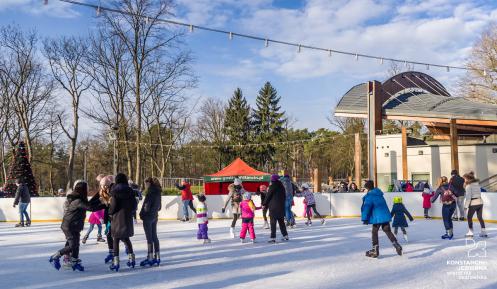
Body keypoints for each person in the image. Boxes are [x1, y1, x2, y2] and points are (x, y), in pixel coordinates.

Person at [49, 180, 103, 271]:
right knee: (72, 245)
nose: (88, 190)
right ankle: (56, 256)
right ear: (83, 189)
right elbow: (91, 208)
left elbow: (89, 204)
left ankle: (74, 261)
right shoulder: (77, 200)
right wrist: (104, 204)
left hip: (75, 225)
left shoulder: (79, 198)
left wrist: (99, 194)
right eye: (87, 188)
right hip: (69, 226)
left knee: (76, 244)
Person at [361, 180, 402, 258]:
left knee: (374, 232)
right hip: (385, 216)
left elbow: (366, 207)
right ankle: (396, 245)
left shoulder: (370, 196)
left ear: (368, 188)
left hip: (378, 217)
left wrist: (365, 218)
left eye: (365, 188)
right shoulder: (379, 194)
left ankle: (375, 250)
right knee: (387, 231)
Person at [109, 173, 138, 272]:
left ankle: (116, 262)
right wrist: (130, 211)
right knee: (126, 238)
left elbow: (113, 206)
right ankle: (131, 259)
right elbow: (135, 205)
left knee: (116, 240)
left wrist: (109, 212)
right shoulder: (130, 191)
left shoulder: (115, 191)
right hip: (127, 218)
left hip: (117, 218)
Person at [139, 177, 162, 267]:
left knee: (149, 238)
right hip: (154, 216)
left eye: (146, 183)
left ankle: (150, 257)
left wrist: (142, 214)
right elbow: (159, 207)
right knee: (154, 236)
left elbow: (146, 206)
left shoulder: (150, 192)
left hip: (148, 217)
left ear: (149, 183)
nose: (145, 185)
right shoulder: (158, 192)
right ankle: (157, 256)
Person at [263, 174, 289, 243]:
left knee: (273, 223)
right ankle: (285, 235)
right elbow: (284, 196)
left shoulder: (272, 186)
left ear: (272, 179)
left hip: (274, 208)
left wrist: (264, 204)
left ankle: (273, 237)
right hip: (281, 207)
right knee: (281, 222)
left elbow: (268, 196)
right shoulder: (282, 186)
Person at [463, 172, 487, 238]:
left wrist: (465, 206)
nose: (464, 180)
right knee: (480, 217)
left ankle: (470, 232)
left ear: (468, 179)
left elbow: (468, 197)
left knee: (469, 217)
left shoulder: (468, 186)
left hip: (473, 203)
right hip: (480, 202)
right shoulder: (477, 184)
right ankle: (484, 232)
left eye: (464, 179)